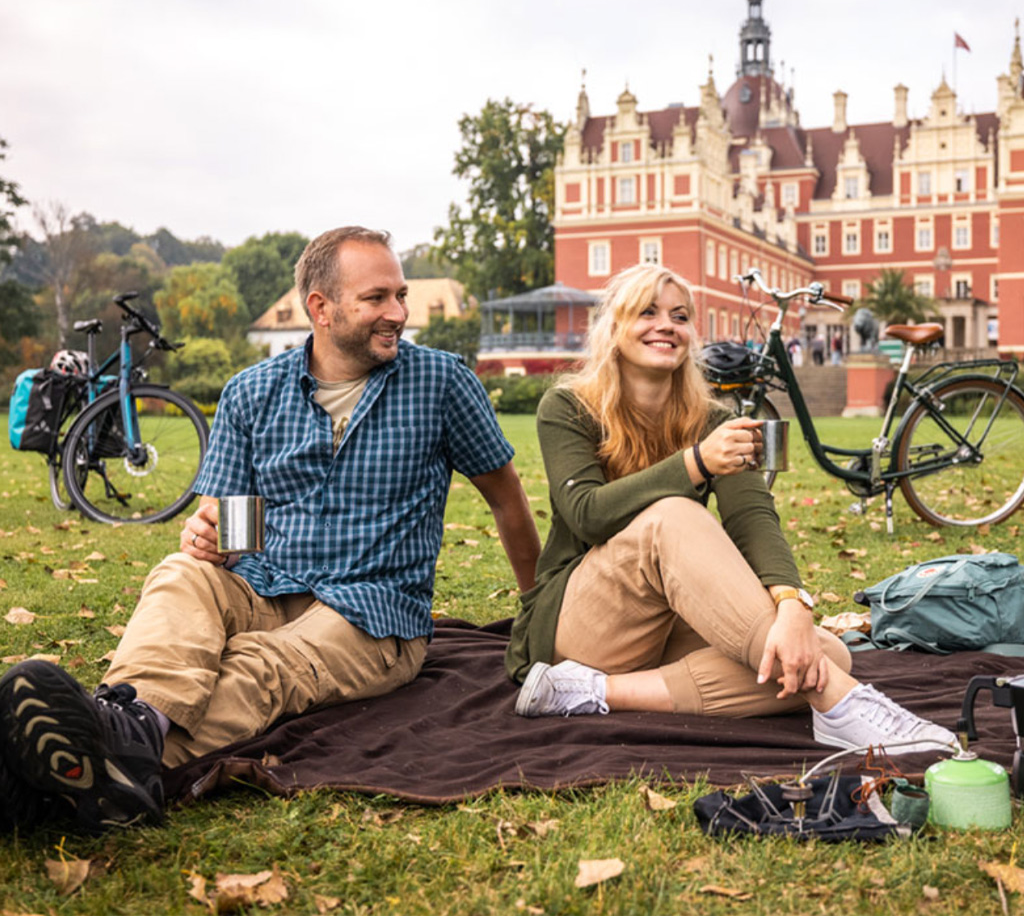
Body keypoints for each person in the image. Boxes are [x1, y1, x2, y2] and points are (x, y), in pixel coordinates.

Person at [0, 225, 540, 836]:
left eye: (401, 295)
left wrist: (539, 614)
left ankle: (83, 766)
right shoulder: (252, 392)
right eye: (377, 299)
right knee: (180, 574)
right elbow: (227, 519)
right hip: (263, 583)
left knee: (263, 663)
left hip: (372, 613)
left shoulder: (442, 383)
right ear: (321, 308)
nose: (398, 313)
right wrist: (211, 538)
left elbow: (508, 503)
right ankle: (123, 728)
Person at [506, 263, 954, 758]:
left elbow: (752, 519)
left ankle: (586, 692)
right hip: (581, 624)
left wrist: (791, 606)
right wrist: (697, 463)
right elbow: (586, 512)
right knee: (672, 514)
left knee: (827, 651)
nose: (666, 326)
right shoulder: (568, 407)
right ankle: (843, 707)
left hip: (658, 629)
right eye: (647, 312)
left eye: (680, 316)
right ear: (614, 327)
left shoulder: (715, 420)